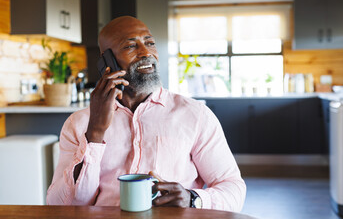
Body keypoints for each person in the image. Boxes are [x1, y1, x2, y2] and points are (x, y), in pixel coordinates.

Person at [46, 16, 246, 212]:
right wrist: (95, 132)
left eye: (150, 43)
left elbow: (233, 188)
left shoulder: (195, 115)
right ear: (108, 61)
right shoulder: (79, 123)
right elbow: (61, 207)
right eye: (130, 46)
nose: (146, 53)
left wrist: (192, 199)